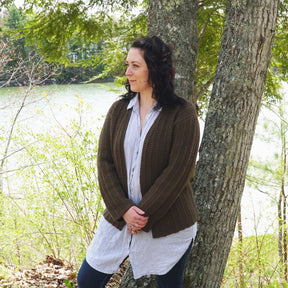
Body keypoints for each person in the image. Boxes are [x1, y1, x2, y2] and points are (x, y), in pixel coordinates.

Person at [77, 35, 200, 288]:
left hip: (169, 222)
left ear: (154, 69)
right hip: (119, 216)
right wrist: (124, 209)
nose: (127, 72)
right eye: (127, 65)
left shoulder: (183, 114)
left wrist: (143, 214)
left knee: (169, 286)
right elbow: (105, 162)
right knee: (87, 280)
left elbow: (177, 172)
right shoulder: (118, 110)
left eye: (135, 66)